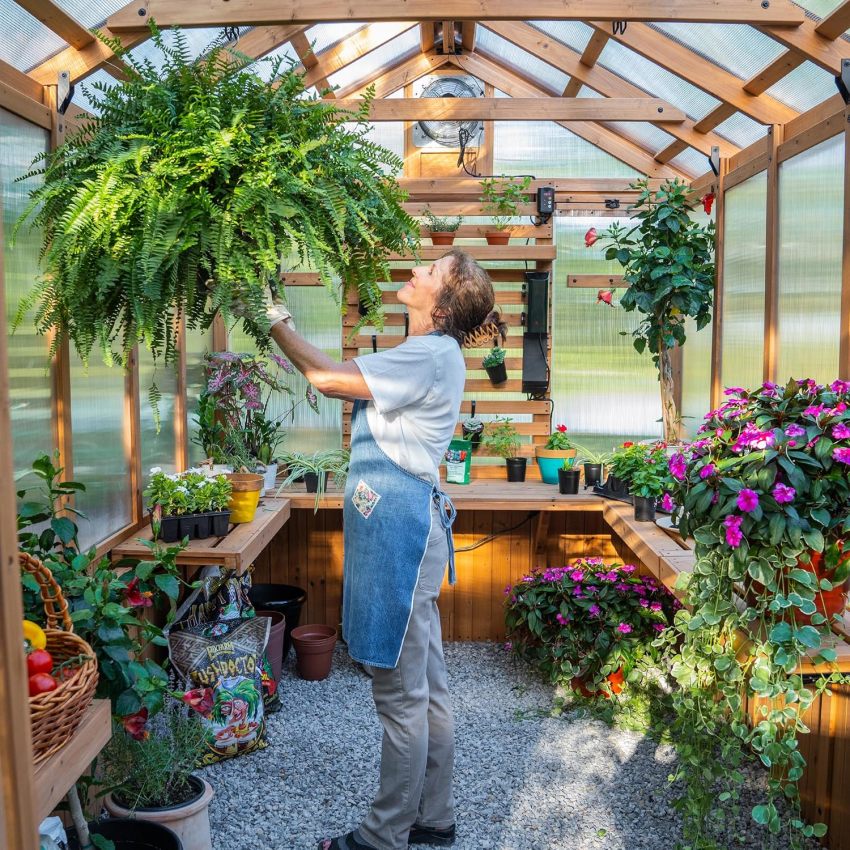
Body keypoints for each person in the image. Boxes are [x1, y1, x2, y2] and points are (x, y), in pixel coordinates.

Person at [247, 249, 499, 850]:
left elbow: (328, 380)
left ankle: (383, 836)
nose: (416, 270)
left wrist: (274, 317)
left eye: (431, 271)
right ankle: (434, 816)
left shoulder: (428, 353)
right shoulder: (428, 353)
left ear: (440, 305)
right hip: (407, 534)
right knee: (428, 687)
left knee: (401, 695)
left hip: (401, 543)